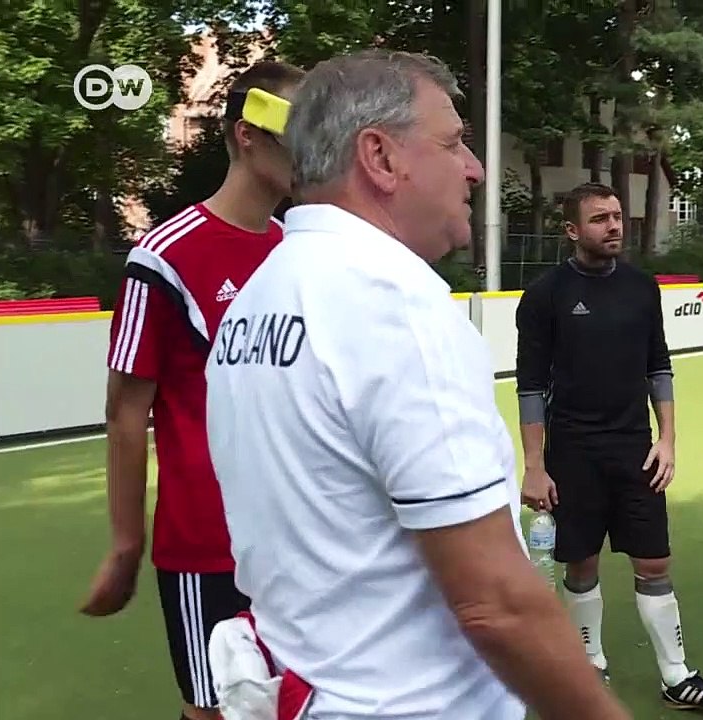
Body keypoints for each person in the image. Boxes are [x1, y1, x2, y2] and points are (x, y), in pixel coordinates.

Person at [202, 50, 629, 720]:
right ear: (381, 157)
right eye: (453, 142)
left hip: (312, 689)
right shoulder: (392, 303)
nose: (474, 168)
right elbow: (494, 602)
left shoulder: (263, 293)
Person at [79, 60, 306, 720]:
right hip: (205, 545)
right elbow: (125, 411)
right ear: (248, 134)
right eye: (301, 131)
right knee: (214, 710)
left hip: (298, 538)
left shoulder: (298, 249)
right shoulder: (163, 258)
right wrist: (126, 547)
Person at [515, 182, 703, 712]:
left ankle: (676, 676)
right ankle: (589, 671)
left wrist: (668, 440)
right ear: (573, 231)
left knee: (654, 563)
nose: (614, 226)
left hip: (635, 450)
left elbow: (657, 366)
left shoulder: (642, 288)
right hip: (573, 453)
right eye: (599, 219)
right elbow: (529, 385)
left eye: (617, 216)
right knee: (582, 566)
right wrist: (534, 466)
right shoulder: (546, 295)